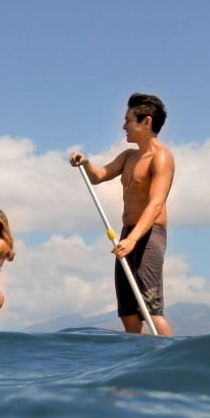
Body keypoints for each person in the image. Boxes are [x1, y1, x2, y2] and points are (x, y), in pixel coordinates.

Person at [69, 92, 175, 335]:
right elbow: (98, 177)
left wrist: (132, 239)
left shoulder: (161, 158)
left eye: (128, 120)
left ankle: (172, 362)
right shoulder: (129, 156)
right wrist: (84, 162)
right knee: (128, 313)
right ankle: (140, 362)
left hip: (148, 236)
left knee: (150, 309)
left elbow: (155, 205)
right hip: (128, 235)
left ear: (146, 122)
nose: (123, 126)